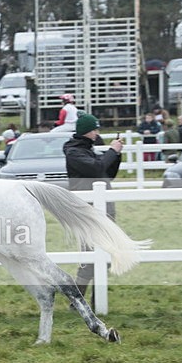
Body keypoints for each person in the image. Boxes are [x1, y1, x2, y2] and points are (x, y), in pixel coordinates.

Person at [63, 114, 123, 305]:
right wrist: (112, 151)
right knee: (91, 256)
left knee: (103, 254)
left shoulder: (87, 151)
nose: (97, 133)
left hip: (102, 208)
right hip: (88, 210)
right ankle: (81, 302)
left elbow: (107, 174)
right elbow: (98, 169)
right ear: (86, 131)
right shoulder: (74, 153)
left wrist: (117, 155)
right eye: (95, 129)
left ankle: (91, 302)